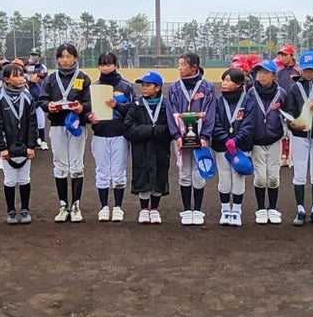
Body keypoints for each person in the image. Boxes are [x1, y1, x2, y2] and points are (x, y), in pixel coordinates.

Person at [39, 43, 93, 223]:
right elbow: (43, 99)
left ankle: (76, 205)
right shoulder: (51, 79)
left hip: (77, 125)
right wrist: (49, 106)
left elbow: (89, 102)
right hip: (57, 125)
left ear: (75, 58)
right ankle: (63, 206)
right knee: (60, 164)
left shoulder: (83, 78)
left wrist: (81, 108)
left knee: (77, 164)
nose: (65, 60)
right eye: (61, 57)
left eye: (68, 56)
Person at [166, 52, 217, 225]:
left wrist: (204, 135)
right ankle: (187, 209)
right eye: (178, 64)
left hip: (201, 139)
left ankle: (198, 210)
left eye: (183, 64)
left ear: (194, 67)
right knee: (184, 172)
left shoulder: (207, 87)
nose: (179, 68)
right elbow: (170, 112)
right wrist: (176, 135)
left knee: (199, 172)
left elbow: (210, 113)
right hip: (181, 138)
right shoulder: (174, 88)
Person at [282, 49, 313, 226]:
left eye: (312, 69)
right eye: (306, 69)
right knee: (300, 173)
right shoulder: (295, 88)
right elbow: (289, 110)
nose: (308, 72)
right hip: (299, 136)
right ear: (300, 69)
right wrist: (292, 124)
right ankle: (301, 209)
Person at [0, 62, 39, 225]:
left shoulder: (28, 97)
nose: (21, 78)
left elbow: (32, 123)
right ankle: (11, 210)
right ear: (6, 80)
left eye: (22, 74)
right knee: (10, 180)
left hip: (24, 145)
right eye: (16, 75)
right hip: (7, 145)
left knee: (24, 178)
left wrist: (31, 145)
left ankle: (25, 209)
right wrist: (1, 148)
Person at [89, 52, 134, 222]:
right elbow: (87, 109)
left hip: (119, 134)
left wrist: (118, 105)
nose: (105, 67)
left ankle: (118, 207)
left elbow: (132, 109)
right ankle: (103, 206)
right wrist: (89, 118)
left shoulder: (125, 86)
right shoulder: (94, 87)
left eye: (108, 64)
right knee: (101, 171)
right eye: (102, 64)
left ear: (116, 65)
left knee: (118, 171)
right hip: (100, 134)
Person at [210, 67, 256, 226]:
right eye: (223, 79)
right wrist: (225, 139)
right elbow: (214, 123)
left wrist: (235, 140)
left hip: (241, 146)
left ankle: (236, 210)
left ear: (238, 84)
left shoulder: (248, 101)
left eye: (228, 80)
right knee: (224, 179)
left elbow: (249, 125)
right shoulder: (217, 101)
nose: (224, 83)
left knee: (238, 177)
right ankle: (225, 210)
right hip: (222, 147)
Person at [124, 71, 172, 224]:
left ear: (157, 88)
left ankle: (155, 209)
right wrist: (149, 130)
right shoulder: (137, 105)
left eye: (148, 85)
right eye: (142, 85)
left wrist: (157, 131)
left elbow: (171, 127)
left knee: (159, 174)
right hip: (141, 148)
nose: (143, 88)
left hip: (160, 148)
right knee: (142, 175)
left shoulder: (166, 105)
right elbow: (129, 128)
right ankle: (144, 209)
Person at [247, 59, 287, 224]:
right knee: (260, 178)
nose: (261, 76)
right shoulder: (250, 92)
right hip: (256, 141)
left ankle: (273, 208)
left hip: (274, 139)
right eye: (259, 73)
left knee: (273, 177)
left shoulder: (282, 93)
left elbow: (288, 114)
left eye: (265, 73)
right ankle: (261, 208)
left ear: (273, 76)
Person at [275, 45, 301, 166]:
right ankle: (282, 155)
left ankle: (291, 156)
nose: (283, 57)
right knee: (281, 130)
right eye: (281, 55)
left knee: (292, 130)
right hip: (281, 103)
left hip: (294, 104)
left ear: (292, 55)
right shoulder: (278, 70)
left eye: (285, 55)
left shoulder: (298, 70)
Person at [28, 64, 49, 150]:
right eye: (37, 76)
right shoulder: (25, 84)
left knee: (41, 123)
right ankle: (32, 141)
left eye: (40, 77)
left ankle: (43, 141)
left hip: (36, 107)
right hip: (28, 108)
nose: (38, 79)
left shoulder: (38, 86)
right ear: (32, 74)